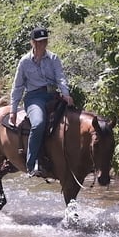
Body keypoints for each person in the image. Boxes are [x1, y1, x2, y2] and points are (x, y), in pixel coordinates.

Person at [9, 26, 74, 176]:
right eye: (38, 42)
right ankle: (31, 164)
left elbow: (61, 78)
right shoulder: (24, 62)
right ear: (32, 42)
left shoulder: (53, 58)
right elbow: (17, 86)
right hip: (34, 97)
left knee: (73, 120)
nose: (42, 45)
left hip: (53, 96)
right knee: (38, 124)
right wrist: (13, 109)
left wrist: (66, 94)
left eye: (44, 41)